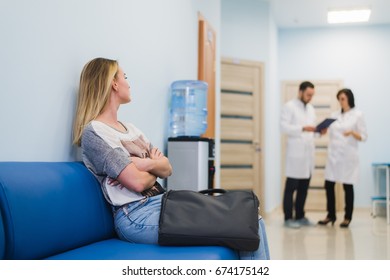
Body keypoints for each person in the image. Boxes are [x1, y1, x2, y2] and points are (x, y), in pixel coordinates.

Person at [72, 57, 270, 259]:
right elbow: (138, 182)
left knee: (253, 218)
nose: (128, 83)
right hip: (136, 215)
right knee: (244, 225)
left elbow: (167, 168)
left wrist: (143, 164)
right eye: (125, 77)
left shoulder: (131, 129)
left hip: (164, 201)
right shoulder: (95, 132)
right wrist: (153, 167)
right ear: (113, 83)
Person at [318, 88, 367, 228]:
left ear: (349, 99)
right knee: (329, 185)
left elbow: (364, 136)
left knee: (347, 186)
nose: (341, 101)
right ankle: (331, 215)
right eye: (339, 99)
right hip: (333, 156)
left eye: (343, 98)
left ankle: (347, 217)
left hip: (348, 157)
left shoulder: (358, 115)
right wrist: (324, 130)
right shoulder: (334, 116)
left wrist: (352, 132)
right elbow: (330, 132)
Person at [280, 81, 317, 228]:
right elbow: (283, 127)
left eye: (312, 95)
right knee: (291, 188)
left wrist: (319, 131)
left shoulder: (311, 109)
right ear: (300, 91)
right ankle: (288, 218)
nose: (310, 98)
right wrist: (302, 128)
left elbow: (311, 130)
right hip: (295, 155)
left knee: (303, 188)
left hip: (308, 155)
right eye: (308, 94)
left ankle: (300, 216)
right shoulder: (289, 106)